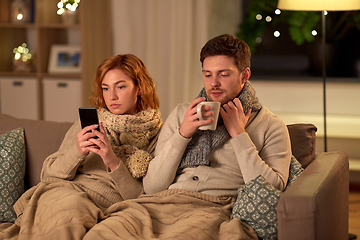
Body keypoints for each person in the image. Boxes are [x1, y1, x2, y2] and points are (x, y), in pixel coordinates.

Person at [81, 34, 292, 240]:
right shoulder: (183, 114)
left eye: (223, 74)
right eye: (207, 74)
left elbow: (270, 191)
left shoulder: (271, 125)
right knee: (101, 233)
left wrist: (239, 135)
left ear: (244, 75)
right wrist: (182, 134)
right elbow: (153, 187)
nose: (214, 83)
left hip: (213, 209)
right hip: (161, 203)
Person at [0, 54, 163, 240]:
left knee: (71, 211)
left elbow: (143, 197)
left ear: (139, 88)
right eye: (105, 88)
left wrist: (112, 161)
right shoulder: (88, 123)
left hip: (100, 203)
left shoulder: (156, 134)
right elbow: (48, 174)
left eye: (121, 86)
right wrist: (77, 152)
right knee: (64, 207)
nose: (112, 96)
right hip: (62, 191)